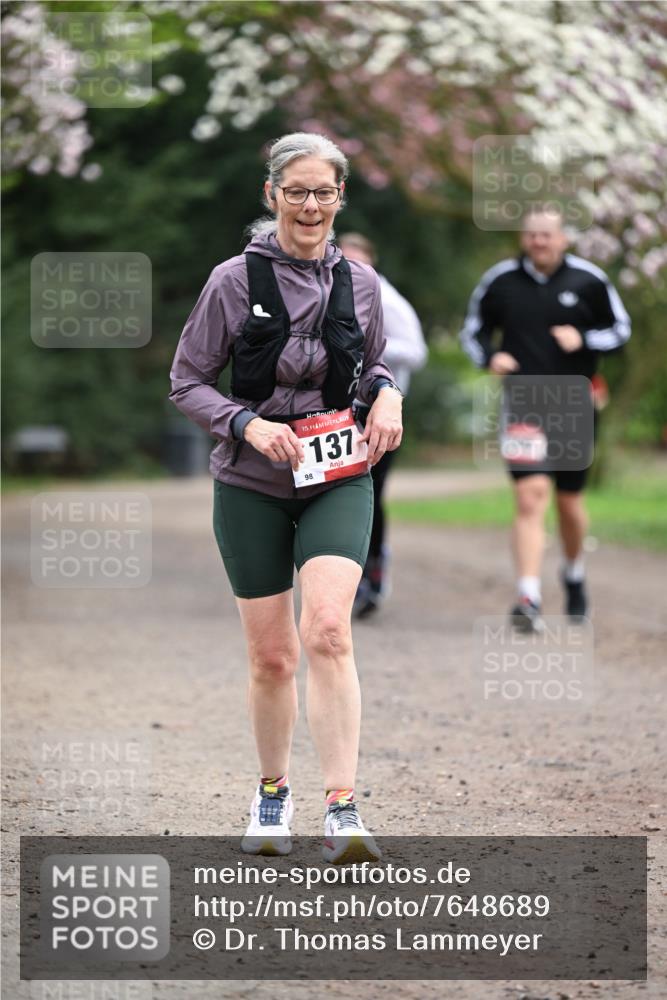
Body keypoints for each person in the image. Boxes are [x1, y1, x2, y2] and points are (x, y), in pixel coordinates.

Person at [169, 133, 403, 862]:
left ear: (339, 199)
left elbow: (371, 365)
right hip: (251, 483)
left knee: (329, 630)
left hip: (338, 477)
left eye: (323, 192)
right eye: (295, 191)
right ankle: (273, 793)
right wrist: (246, 423)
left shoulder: (359, 282)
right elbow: (187, 380)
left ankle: (343, 808)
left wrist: (387, 394)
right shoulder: (232, 280)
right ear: (270, 194)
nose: (310, 205)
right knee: (272, 657)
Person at [460, 207, 631, 631]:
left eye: (547, 235)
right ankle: (528, 596)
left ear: (563, 239)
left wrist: (585, 338)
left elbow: (620, 329)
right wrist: (489, 355)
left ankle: (573, 573)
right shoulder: (500, 280)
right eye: (532, 234)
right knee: (530, 495)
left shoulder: (589, 280)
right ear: (523, 238)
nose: (539, 241)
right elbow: (473, 329)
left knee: (569, 504)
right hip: (523, 402)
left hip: (575, 403)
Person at [338, 233, 427, 617]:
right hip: (338, 413)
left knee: (369, 494)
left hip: (381, 414)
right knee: (336, 494)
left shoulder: (388, 302)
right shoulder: (329, 294)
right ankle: (342, 576)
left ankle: (373, 570)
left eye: (360, 260)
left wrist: (368, 346)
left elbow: (417, 352)